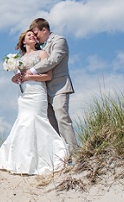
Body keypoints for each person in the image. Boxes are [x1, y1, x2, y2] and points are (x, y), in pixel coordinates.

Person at [0, 29, 69, 175]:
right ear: (24, 41)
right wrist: (15, 78)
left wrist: (29, 78)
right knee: (23, 122)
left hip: (37, 92)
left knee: (37, 120)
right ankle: (22, 162)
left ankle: (56, 155)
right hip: (24, 94)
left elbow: (48, 76)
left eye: (34, 35)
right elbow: (18, 76)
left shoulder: (42, 54)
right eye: (30, 35)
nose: (33, 37)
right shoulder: (19, 58)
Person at [14, 17, 79, 156]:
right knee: (50, 124)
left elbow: (53, 60)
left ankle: (76, 154)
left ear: (44, 30)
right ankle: (60, 155)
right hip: (41, 91)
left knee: (62, 118)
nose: (35, 38)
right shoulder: (39, 48)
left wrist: (30, 72)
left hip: (59, 87)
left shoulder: (59, 41)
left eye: (36, 34)